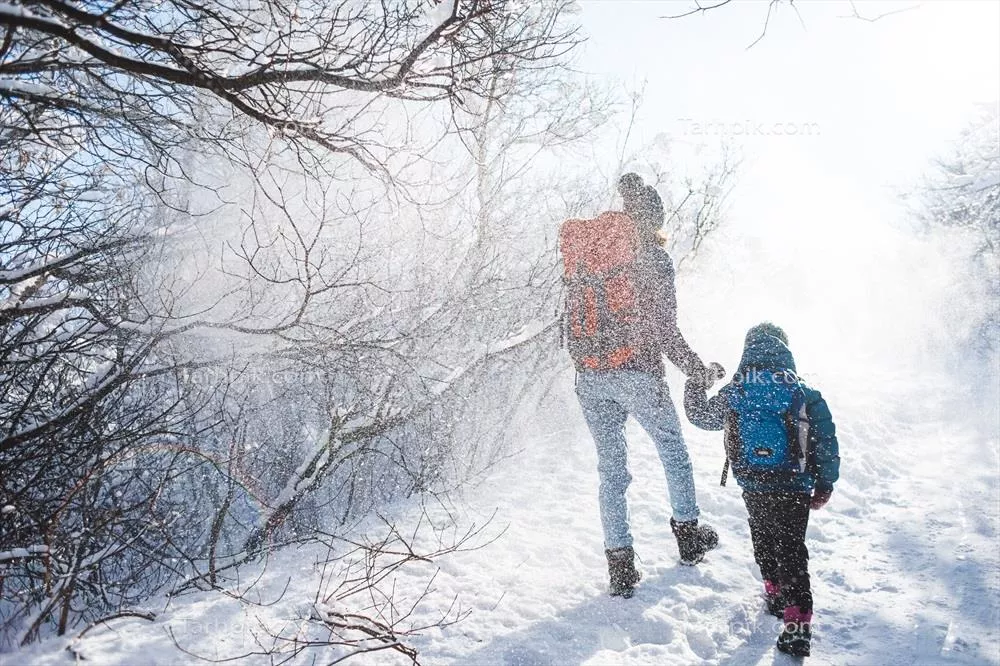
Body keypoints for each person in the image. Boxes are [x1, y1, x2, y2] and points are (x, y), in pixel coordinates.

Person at [559, 172, 719, 599]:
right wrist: (695, 368)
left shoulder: (596, 256)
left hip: (590, 376)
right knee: (673, 451)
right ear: (654, 221)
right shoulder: (652, 259)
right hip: (638, 373)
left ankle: (620, 565)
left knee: (611, 471)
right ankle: (688, 536)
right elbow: (664, 328)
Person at [683, 323, 840, 657]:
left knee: (764, 538)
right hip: (794, 485)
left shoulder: (737, 389)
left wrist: (695, 382)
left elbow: (699, 415)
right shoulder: (802, 391)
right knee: (792, 546)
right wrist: (825, 483)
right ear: (785, 348)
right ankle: (796, 625)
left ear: (747, 350)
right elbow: (826, 441)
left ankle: (775, 593)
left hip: (754, 483)